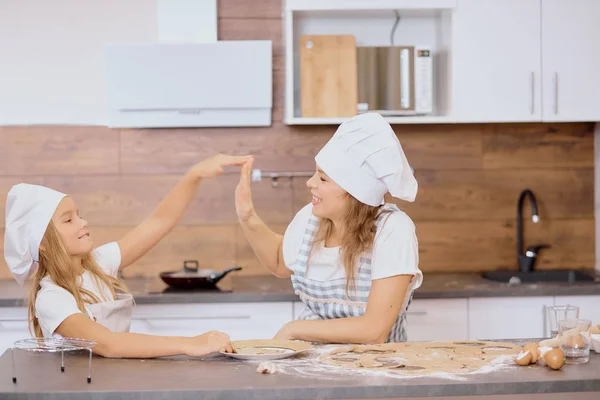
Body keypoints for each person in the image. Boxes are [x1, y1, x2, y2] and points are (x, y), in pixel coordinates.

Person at [4, 154, 252, 358]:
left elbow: (159, 222)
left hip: (114, 381)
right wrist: (190, 344)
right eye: (69, 220)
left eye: (79, 215)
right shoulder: (52, 298)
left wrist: (193, 176)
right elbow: (109, 344)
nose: (83, 223)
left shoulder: (98, 264)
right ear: (42, 244)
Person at [235, 113, 422, 344]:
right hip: (312, 363)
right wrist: (247, 216)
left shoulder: (393, 229)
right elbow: (278, 262)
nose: (310, 182)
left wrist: (294, 329)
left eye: (323, 179)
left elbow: (373, 331)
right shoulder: (310, 219)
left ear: (355, 192)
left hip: (375, 369)